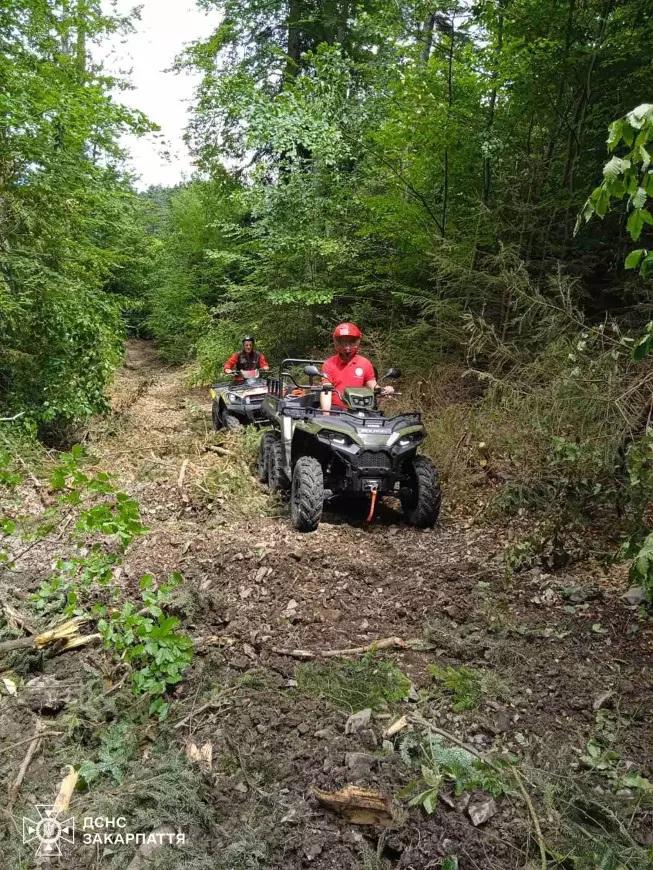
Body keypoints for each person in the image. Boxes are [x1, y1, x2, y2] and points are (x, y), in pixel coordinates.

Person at [320, 322, 394, 411]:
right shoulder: (329, 363)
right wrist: (326, 414)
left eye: (350, 342)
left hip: (359, 410)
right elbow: (326, 391)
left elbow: (373, 385)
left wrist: (384, 390)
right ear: (337, 343)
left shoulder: (364, 363)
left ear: (356, 342)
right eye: (343, 342)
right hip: (336, 410)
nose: (347, 346)